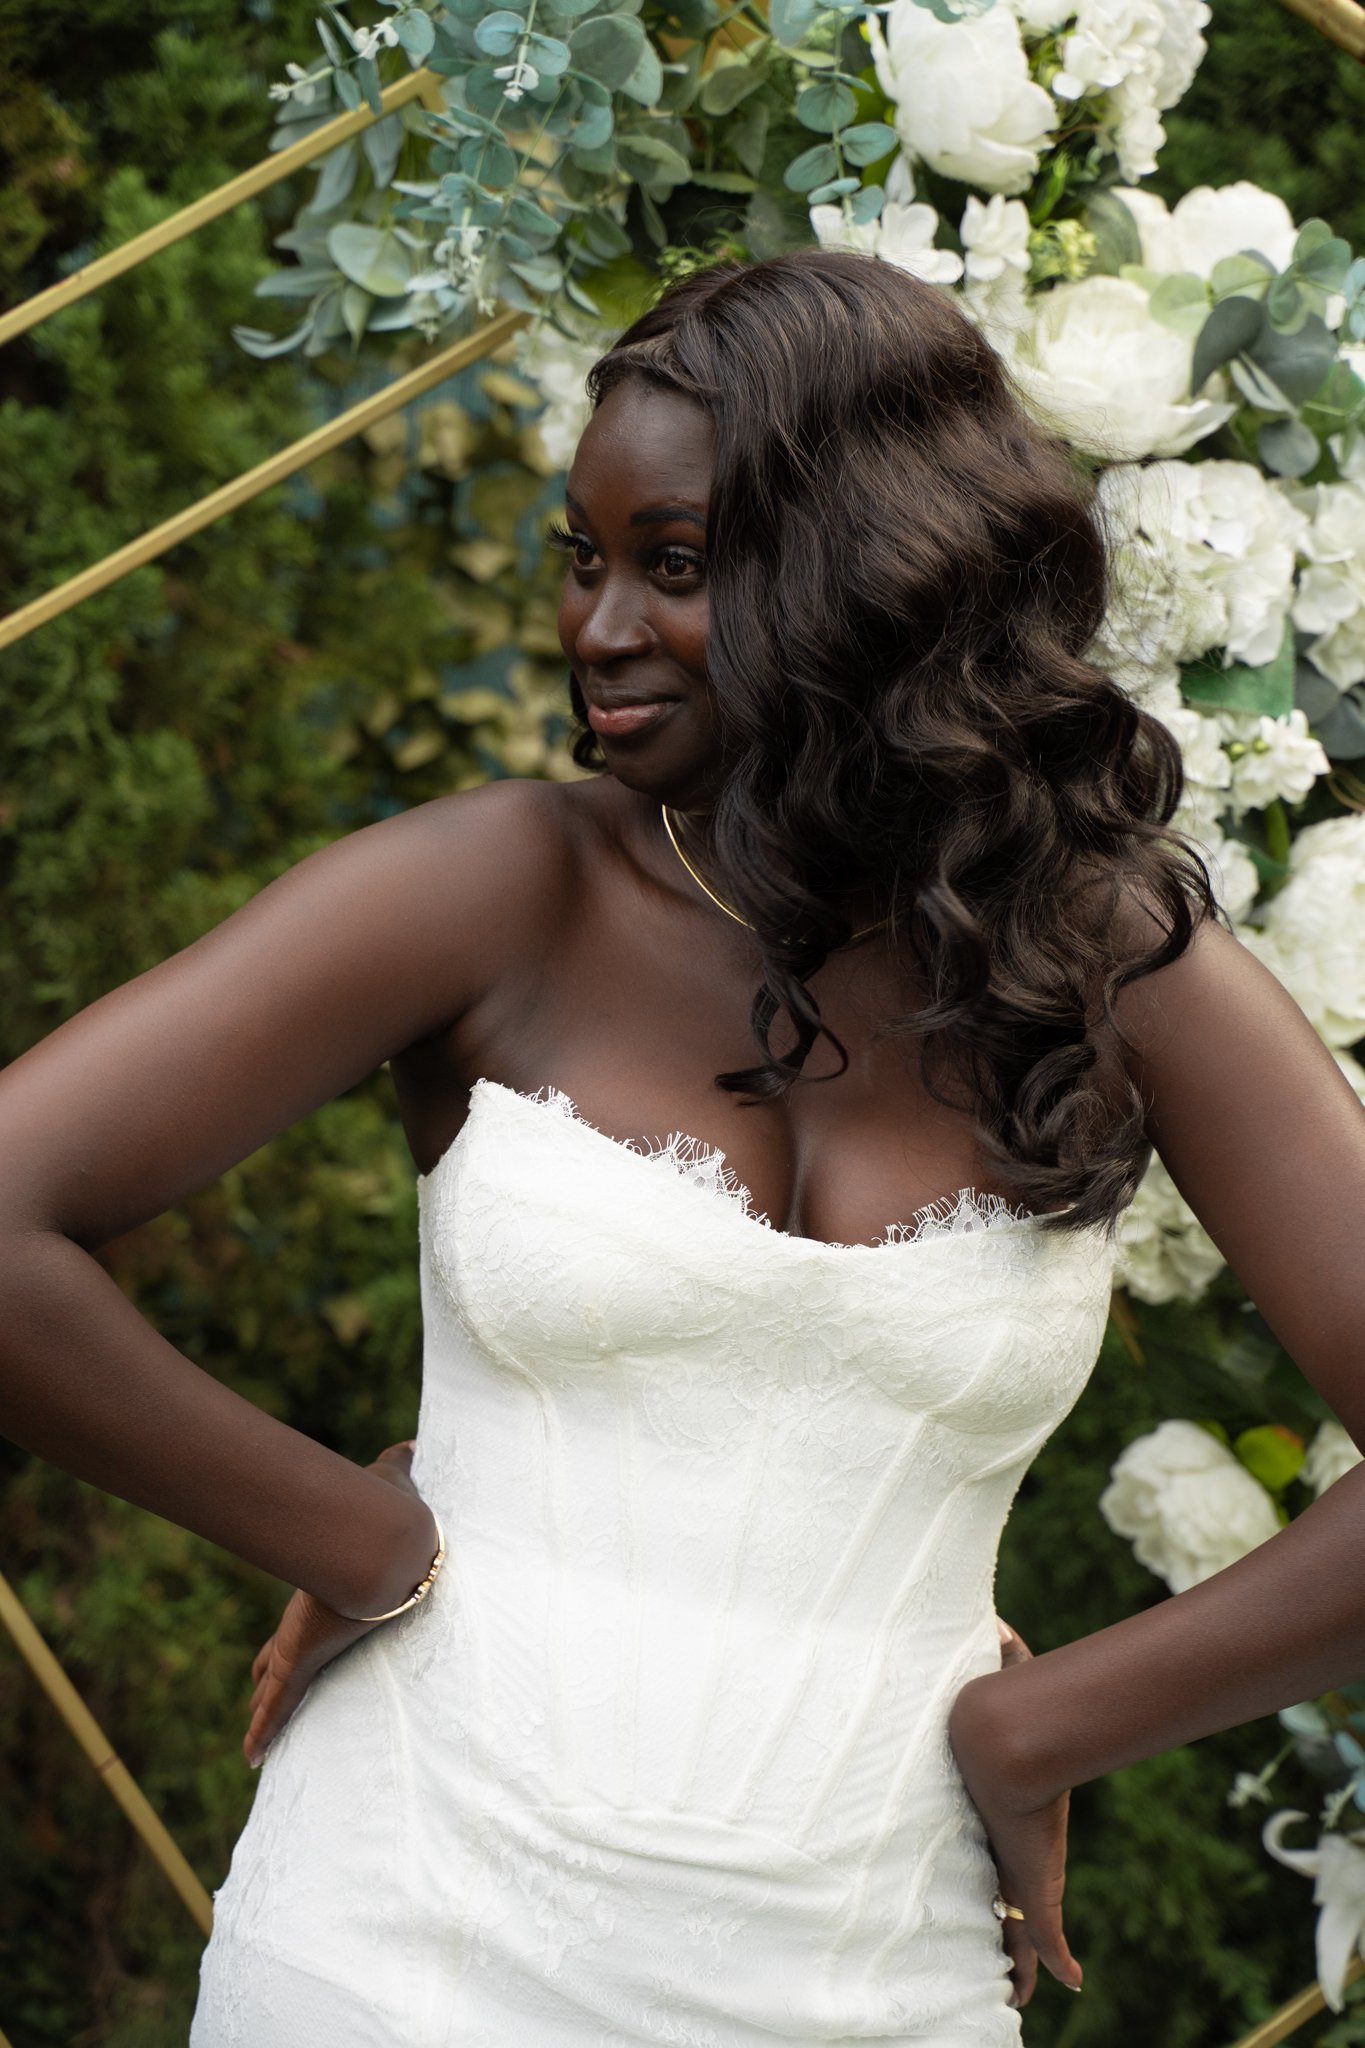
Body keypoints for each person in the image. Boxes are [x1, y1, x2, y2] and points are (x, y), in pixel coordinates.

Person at [1, 246, 1363, 2046]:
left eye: (678, 564)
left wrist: (1041, 1725)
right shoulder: (500, 888)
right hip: (396, 1934)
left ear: (875, 578)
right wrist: (358, 1540)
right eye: (585, 559)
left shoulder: (1116, 968)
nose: (596, 629)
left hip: (876, 1970)